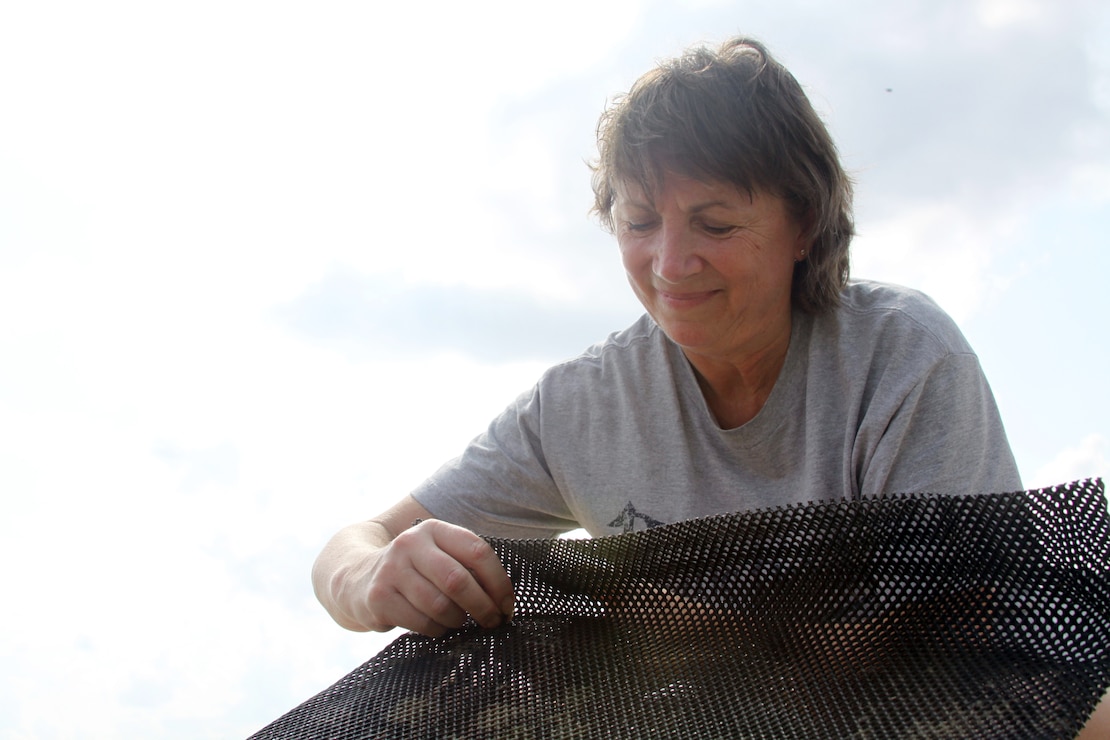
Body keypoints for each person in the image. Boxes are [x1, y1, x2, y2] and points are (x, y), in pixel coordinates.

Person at [313, 36, 1110, 736]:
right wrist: (372, 575)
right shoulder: (581, 406)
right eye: (639, 222)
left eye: (716, 224)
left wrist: (650, 617)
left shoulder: (901, 357)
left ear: (804, 225)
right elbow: (354, 547)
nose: (670, 264)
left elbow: (931, 654)